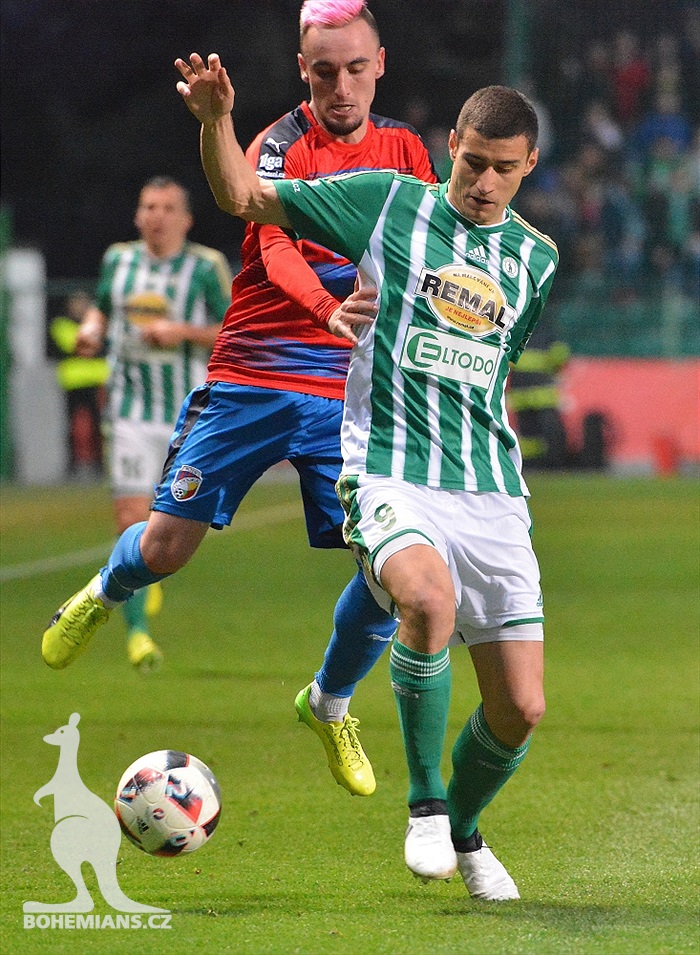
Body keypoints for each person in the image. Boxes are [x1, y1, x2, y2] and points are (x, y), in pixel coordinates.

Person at [168, 48, 558, 902]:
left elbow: (493, 369)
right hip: (388, 466)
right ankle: (424, 809)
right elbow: (244, 196)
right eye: (471, 162)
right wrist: (215, 122)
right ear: (449, 143)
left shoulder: (536, 261)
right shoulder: (390, 203)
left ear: (529, 167)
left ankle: (465, 831)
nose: (484, 183)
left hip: (489, 486)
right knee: (424, 599)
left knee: (520, 708)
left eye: (503, 170)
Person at [42, 2, 436, 797]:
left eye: (356, 68)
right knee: (164, 550)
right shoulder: (279, 146)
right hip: (253, 373)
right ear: (303, 69)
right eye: (324, 71)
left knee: (389, 570)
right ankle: (107, 589)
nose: (341, 86)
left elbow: (424, 249)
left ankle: (328, 701)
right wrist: (329, 310)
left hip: (344, 392)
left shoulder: (406, 151)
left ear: (380, 63)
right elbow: (275, 242)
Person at [70, 176, 232, 671]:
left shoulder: (205, 267)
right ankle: (138, 636)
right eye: (147, 207)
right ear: (138, 216)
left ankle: (146, 575)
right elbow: (101, 310)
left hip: (189, 417)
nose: (156, 216)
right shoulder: (119, 260)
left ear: (186, 219)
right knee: (131, 521)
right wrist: (91, 330)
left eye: (166, 208)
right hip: (129, 412)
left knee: (173, 532)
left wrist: (181, 332)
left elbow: (232, 330)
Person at [49, 290, 109, 480]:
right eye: (76, 302)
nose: (80, 306)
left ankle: (99, 465)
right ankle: (72, 465)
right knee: (71, 425)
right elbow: (74, 345)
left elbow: (101, 345)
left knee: (98, 424)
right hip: (72, 381)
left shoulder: (98, 323)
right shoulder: (61, 323)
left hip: (96, 380)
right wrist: (90, 345)